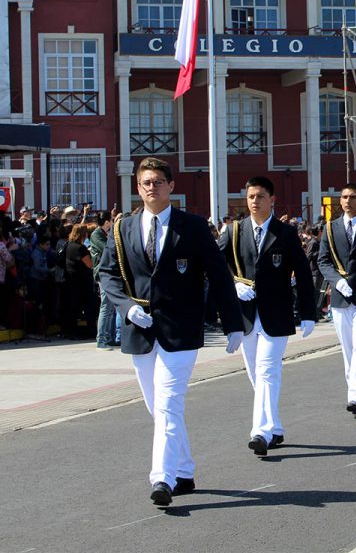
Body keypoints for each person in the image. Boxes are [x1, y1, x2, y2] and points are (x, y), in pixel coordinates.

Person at [98, 157, 243, 507]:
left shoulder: (191, 227)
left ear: (171, 186)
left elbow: (219, 276)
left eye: (159, 181)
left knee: (167, 403)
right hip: (140, 330)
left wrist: (233, 323)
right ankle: (184, 468)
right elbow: (107, 274)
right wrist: (125, 307)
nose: (152, 187)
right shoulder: (122, 229)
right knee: (159, 408)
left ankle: (162, 478)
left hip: (181, 330)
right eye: (146, 181)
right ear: (137, 187)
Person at [219, 176, 317, 457]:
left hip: (277, 313)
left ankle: (260, 432)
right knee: (255, 374)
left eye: (260, 196)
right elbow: (215, 267)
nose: (254, 201)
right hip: (246, 314)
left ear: (272, 200)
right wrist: (233, 285)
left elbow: (303, 273)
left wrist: (308, 314)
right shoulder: (234, 231)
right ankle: (273, 426)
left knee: (267, 370)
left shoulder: (285, 233)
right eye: (250, 196)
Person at [317, 182, 356, 418]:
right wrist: (335, 281)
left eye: (352, 197)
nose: (347, 201)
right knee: (348, 350)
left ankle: (355, 396)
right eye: (344, 197)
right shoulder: (331, 228)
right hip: (340, 297)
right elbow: (323, 260)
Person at [61, 223, 96, 339]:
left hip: (70, 280)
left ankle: (70, 330)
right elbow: (90, 264)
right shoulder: (81, 248)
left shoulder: (69, 245)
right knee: (88, 306)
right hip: (81, 282)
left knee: (72, 307)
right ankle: (90, 330)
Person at [90, 212, 118, 350]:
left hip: (109, 272)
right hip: (102, 273)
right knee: (106, 306)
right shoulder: (96, 234)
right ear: (107, 222)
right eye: (111, 221)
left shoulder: (104, 233)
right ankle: (101, 339)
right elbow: (108, 249)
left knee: (111, 307)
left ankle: (109, 337)